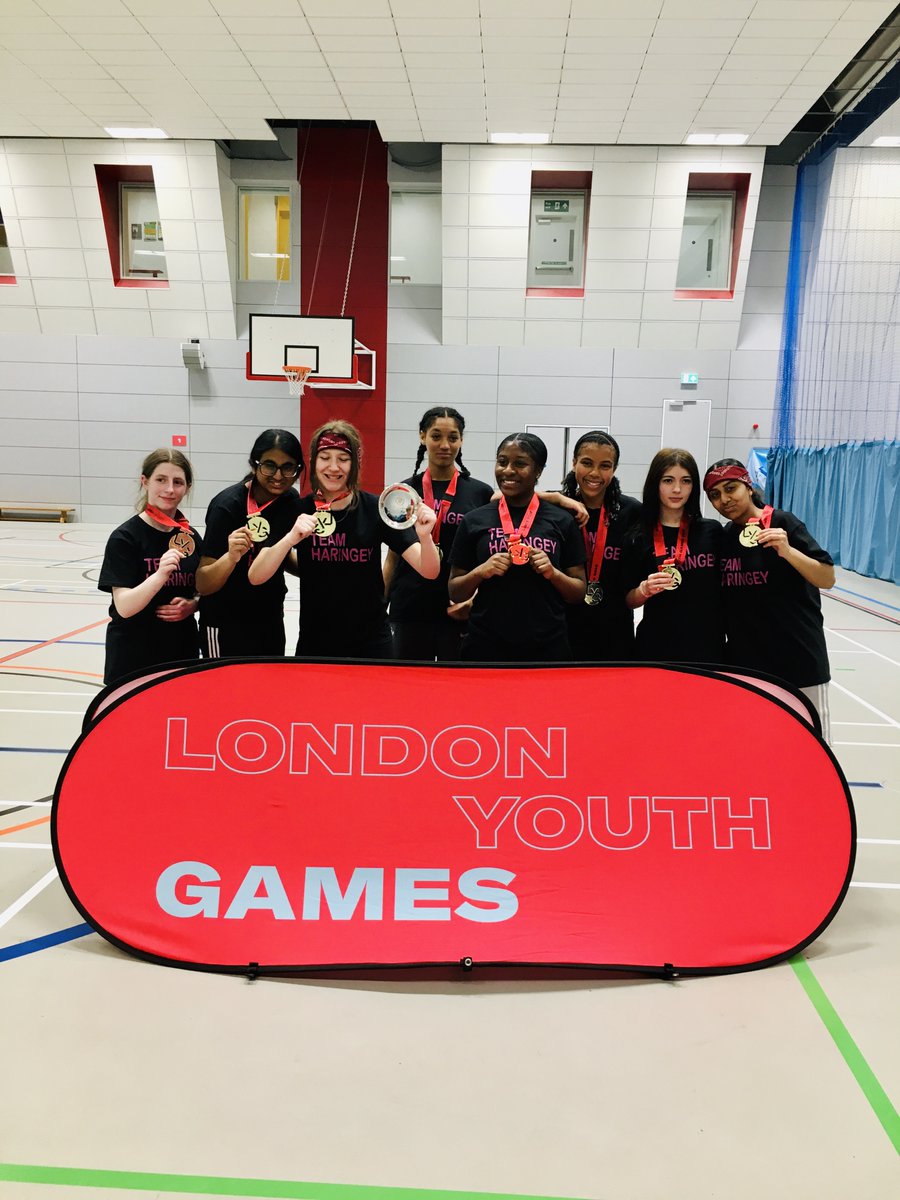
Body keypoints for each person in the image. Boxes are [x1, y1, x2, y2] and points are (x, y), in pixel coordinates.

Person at [248, 419, 440, 659]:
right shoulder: (297, 510)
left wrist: (425, 537)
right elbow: (256, 576)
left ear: (355, 464)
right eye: (325, 457)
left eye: (343, 459)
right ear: (314, 461)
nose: (334, 467)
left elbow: (429, 570)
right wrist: (289, 539)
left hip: (372, 644)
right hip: (316, 644)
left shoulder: (375, 508)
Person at [703, 457, 835, 740]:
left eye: (731, 488)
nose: (724, 500)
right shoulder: (725, 537)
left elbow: (827, 578)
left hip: (799, 662)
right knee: (758, 746)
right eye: (715, 495)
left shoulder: (783, 522)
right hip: (749, 666)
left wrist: (787, 551)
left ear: (748, 487)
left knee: (813, 750)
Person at [449, 432, 586, 662]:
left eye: (520, 463)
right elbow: (455, 590)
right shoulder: (474, 520)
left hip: (547, 646)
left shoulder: (562, 520)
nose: (508, 470)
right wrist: (481, 571)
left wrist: (553, 573)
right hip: (486, 645)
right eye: (502, 462)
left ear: (539, 471)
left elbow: (578, 592)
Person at [385, 406, 495, 660]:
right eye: (436, 436)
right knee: (409, 689)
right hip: (409, 608)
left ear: (461, 440)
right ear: (422, 436)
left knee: (455, 691)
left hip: (456, 609)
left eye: (453, 437)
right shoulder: (403, 493)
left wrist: (473, 600)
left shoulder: (479, 493)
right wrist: (381, 604)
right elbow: (392, 557)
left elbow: (484, 555)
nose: (445, 445)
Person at [195, 429, 304, 658]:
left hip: (270, 618)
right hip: (225, 622)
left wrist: (325, 569)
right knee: (224, 690)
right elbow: (203, 583)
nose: (278, 475)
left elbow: (278, 557)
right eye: (269, 465)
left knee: (267, 689)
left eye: (288, 467)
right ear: (254, 465)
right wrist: (231, 557)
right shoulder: (227, 506)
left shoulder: (290, 502)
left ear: (298, 470)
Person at [98, 448, 202, 686]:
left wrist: (193, 605)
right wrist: (160, 575)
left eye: (178, 482)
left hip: (180, 653)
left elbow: (201, 590)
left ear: (187, 487)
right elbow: (124, 607)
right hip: (133, 656)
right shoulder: (125, 538)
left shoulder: (191, 537)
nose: (169, 489)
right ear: (144, 481)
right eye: (161, 480)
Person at [623, 448, 724, 664]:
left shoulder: (712, 531)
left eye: (686, 481)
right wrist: (644, 590)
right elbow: (627, 600)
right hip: (656, 647)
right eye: (668, 480)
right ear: (655, 484)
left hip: (707, 648)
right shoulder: (638, 536)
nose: (677, 489)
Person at [559, 431, 642, 661]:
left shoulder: (631, 511)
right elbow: (499, 498)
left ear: (614, 469)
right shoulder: (557, 510)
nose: (595, 473)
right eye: (587, 463)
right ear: (574, 462)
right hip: (565, 628)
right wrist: (557, 498)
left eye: (605, 465)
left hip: (615, 630)